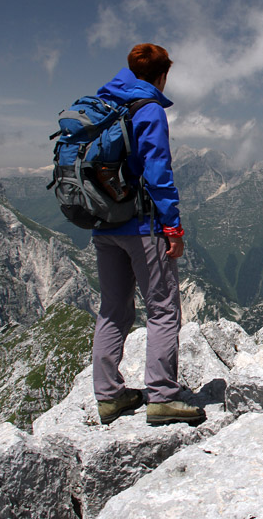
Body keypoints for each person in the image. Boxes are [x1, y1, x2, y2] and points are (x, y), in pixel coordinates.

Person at [91, 43, 205, 426]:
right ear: (163, 74)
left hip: (103, 223)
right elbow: (158, 172)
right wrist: (172, 226)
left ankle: (108, 396)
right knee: (162, 309)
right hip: (142, 226)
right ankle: (161, 396)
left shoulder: (103, 104)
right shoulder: (149, 109)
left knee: (112, 310)